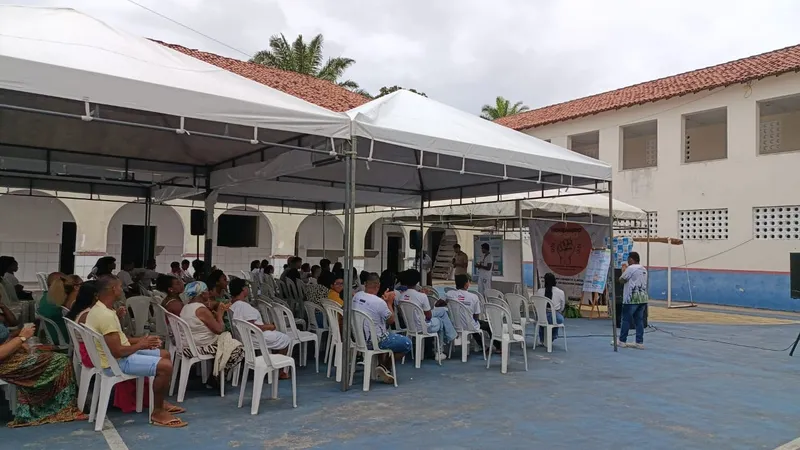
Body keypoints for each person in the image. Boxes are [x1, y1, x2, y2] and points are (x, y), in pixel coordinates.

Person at [85, 275, 187, 428]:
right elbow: (118, 352)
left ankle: (158, 401)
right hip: (115, 363)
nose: (122, 290)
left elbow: (120, 340)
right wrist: (142, 344)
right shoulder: (105, 316)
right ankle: (157, 412)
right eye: (120, 287)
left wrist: (143, 340)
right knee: (165, 366)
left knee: (164, 354)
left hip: (112, 358)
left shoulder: (102, 310)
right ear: (113, 289)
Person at [0, 306, 87, 427]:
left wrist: (16, 341)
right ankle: (62, 410)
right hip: (5, 364)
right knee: (61, 361)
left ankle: (47, 406)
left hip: (11, 356)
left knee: (46, 354)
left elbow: (8, 330)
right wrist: (21, 338)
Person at [352, 273, 411, 384]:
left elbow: (371, 306)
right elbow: (391, 320)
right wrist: (389, 303)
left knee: (383, 332)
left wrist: (383, 302)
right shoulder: (379, 302)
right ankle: (385, 366)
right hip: (375, 341)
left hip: (359, 338)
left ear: (365, 284)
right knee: (406, 343)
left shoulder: (357, 296)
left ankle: (382, 366)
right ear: (378, 285)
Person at [228, 278, 292, 379]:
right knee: (285, 339)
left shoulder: (232, 305)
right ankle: (279, 371)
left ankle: (272, 363)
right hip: (254, 337)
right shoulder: (243, 306)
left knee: (276, 337)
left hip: (242, 338)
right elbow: (252, 326)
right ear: (243, 289)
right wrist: (268, 327)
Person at [180, 281, 244, 381]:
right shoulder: (201, 309)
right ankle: (217, 375)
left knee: (227, 341)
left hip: (189, 343)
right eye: (206, 291)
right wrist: (220, 315)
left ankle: (215, 372)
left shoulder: (186, 307)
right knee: (237, 348)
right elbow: (219, 329)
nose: (209, 293)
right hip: (201, 346)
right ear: (202, 294)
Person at [395, 269, 456, 360]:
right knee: (440, 320)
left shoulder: (401, 296)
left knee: (441, 312)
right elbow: (429, 316)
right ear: (417, 281)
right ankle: (440, 350)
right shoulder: (422, 296)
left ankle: (450, 336)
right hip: (422, 326)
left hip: (410, 325)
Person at [446, 274, 500, 353]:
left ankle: (484, 347)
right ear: (466, 284)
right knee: (487, 325)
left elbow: (438, 304)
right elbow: (476, 316)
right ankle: (498, 347)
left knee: (472, 323)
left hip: (456, 324)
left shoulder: (450, 294)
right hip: (469, 324)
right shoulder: (473, 297)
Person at [40, 274, 82, 345]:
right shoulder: (71, 304)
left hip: (56, 336)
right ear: (76, 287)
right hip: (66, 338)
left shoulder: (48, 298)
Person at [618, 252, 648, 349]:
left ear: (631, 259)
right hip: (642, 298)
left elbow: (621, 280)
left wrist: (623, 271)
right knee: (639, 320)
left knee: (626, 320)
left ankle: (622, 341)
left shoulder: (630, 268)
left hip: (631, 299)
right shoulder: (644, 269)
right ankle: (639, 342)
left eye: (628, 259)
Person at [535, 273, 566, 345]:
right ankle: (553, 336)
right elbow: (562, 307)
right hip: (554, 316)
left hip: (541, 316)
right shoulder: (560, 292)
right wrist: (558, 311)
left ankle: (542, 339)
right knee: (558, 319)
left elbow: (536, 304)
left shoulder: (539, 291)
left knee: (542, 318)